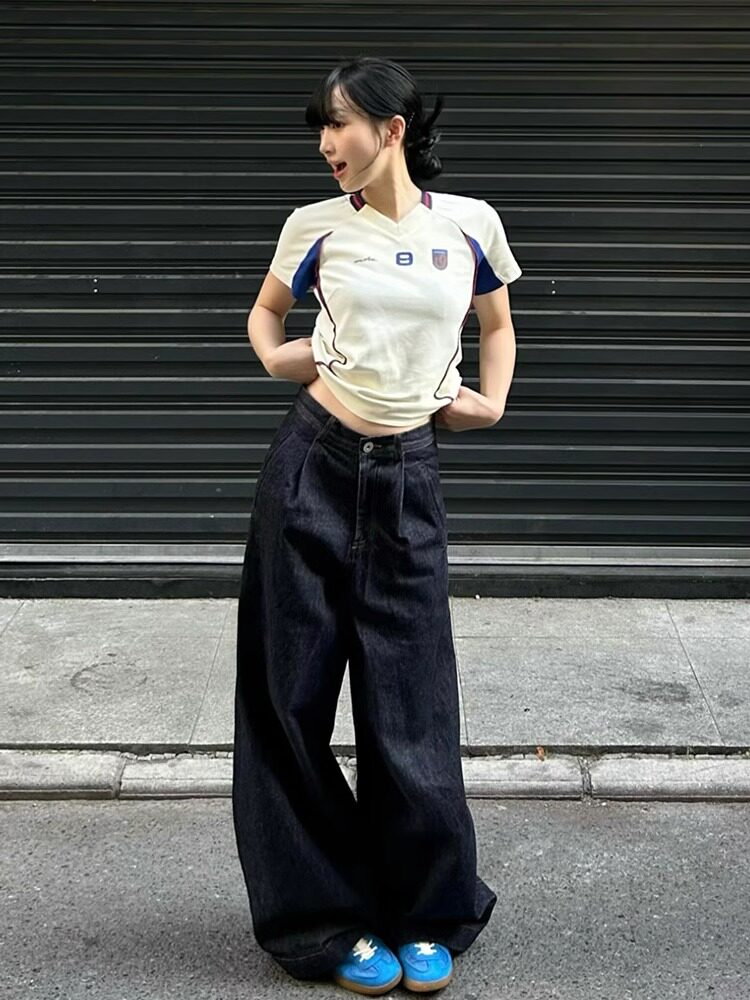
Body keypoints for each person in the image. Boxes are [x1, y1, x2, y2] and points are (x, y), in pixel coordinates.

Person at [232, 55, 522, 996]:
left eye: (339, 123)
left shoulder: (469, 224)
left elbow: (496, 325)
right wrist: (284, 358)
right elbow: (265, 316)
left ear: (391, 130)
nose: (326, 143)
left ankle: (426, 911)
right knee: (288, 701)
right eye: (321, 126)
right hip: (310, 465)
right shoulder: (313, 226)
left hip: (406, 477)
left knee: (413, 704)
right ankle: (322, 919)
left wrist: (491, 404)